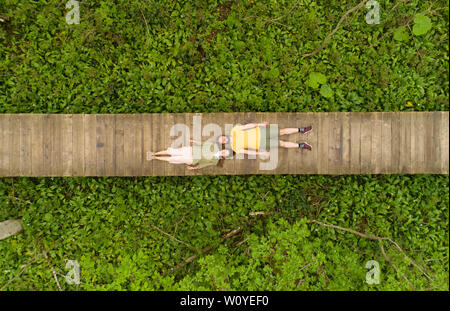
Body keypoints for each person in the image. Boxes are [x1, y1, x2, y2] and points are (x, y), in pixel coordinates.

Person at [217, 122, 312, 157]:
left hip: (261, 131)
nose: (224, 140)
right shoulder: (234, 148)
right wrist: (261, 153)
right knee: (282, 143)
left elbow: (247, 126)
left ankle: (302, 130)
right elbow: (248, 152)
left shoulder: (234, 130)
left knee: (282, 131)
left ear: (223, 135)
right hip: (261, 144)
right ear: (224, 143)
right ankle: (301, 145)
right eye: (223, 142)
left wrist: (259, 124)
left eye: (222, 138)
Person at [147, 140, 231, 170]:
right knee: (173, 151)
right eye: (225, 151)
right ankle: (154, 153)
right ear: (223, 149)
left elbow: (204, 164)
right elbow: (203, 143)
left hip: (192, 160)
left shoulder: (215, 161)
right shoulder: (215, 146)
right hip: (191, 150)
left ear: (224, 156)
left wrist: (194, 167)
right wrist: (193, 141)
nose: (224, 152)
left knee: (173, 159)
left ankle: (154, 158)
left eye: (225, 154)